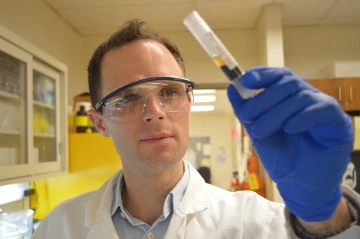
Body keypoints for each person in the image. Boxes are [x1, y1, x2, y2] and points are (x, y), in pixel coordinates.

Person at [31, 19, 360, 239]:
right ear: (100, 121)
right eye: (128, 98)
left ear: (188, 101)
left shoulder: (257, 223)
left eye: (169, 92)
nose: (154, 113)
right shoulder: (60, 227)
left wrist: (323, 209)